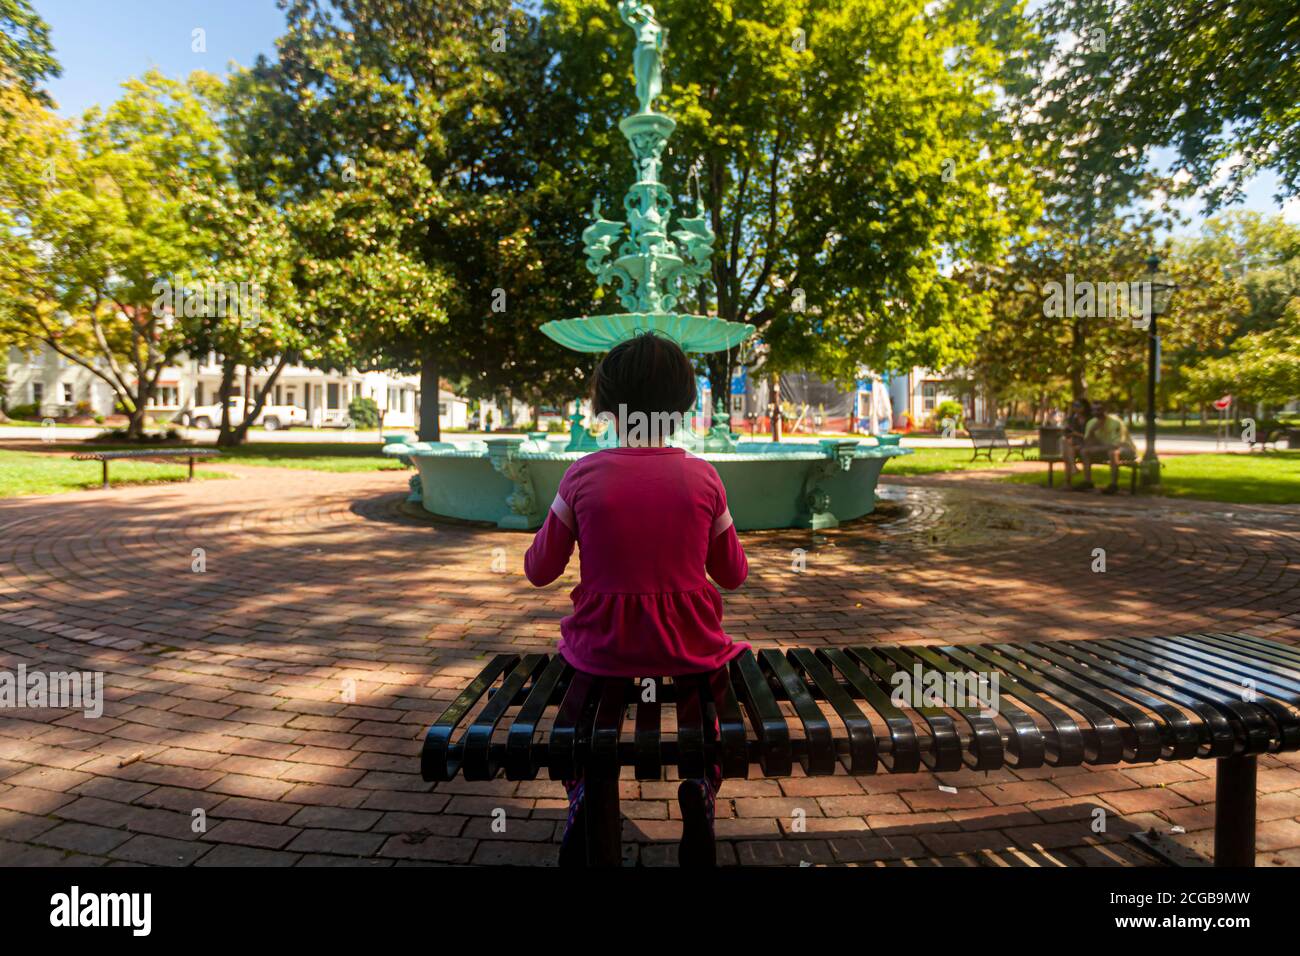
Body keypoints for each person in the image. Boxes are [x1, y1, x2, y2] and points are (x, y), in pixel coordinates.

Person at [524, 332, 749, 867]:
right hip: (688, 646)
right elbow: (733, 574)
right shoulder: (703, 477)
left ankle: (585, 785)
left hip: (603, 648)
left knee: (586, 703)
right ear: (684, 405)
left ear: (605, 406)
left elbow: (540, 571)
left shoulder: (581, 475)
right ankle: (702, 779)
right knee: (706, 683)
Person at [1080, 400, 1137, 494]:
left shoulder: (1115, 422)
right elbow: (1087, 443)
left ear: (1105, 410)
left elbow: (1117, 445)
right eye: (1094, 410)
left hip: (1126, 449)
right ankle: (1088, 482)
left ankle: (1113, 485)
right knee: (1084, 451)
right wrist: (1091, 432)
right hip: (1104, 449)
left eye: (1099, 409)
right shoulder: (1091, 423)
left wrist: (1097, 448)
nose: (1096, 412)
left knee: (1113, 453)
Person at [1060, 398, 1092, 489]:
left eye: (1078, 406)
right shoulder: (1072, 418)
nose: (1075, 408)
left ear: (1085, 407)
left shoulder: (1090, 419)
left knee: (1067, 450)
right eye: (1074, 406)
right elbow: (1068, 433)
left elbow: (1090, 436)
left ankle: (1068, 482)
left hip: (1088, 444)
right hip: (1075, 444)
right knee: (1066, 444)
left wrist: (1075, 434)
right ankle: (1073, 469)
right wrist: (1068, 433)